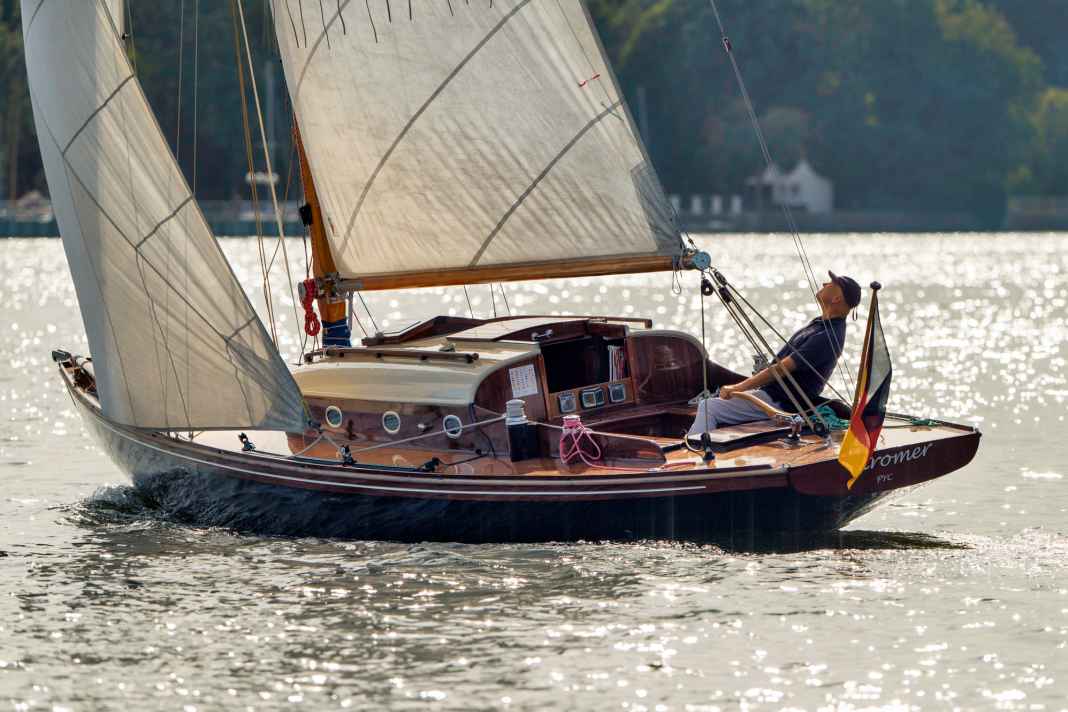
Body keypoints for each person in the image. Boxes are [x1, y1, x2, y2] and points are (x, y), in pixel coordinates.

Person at [689, 271, 862, 436]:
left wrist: (737, 388)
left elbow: (780, 369)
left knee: (708, 407)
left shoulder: (827, 336)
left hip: (782, 402)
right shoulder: (821, 324)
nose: (824, 283)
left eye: (831, 283)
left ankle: (695, 450)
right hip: (774, 395)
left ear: (837, 298)